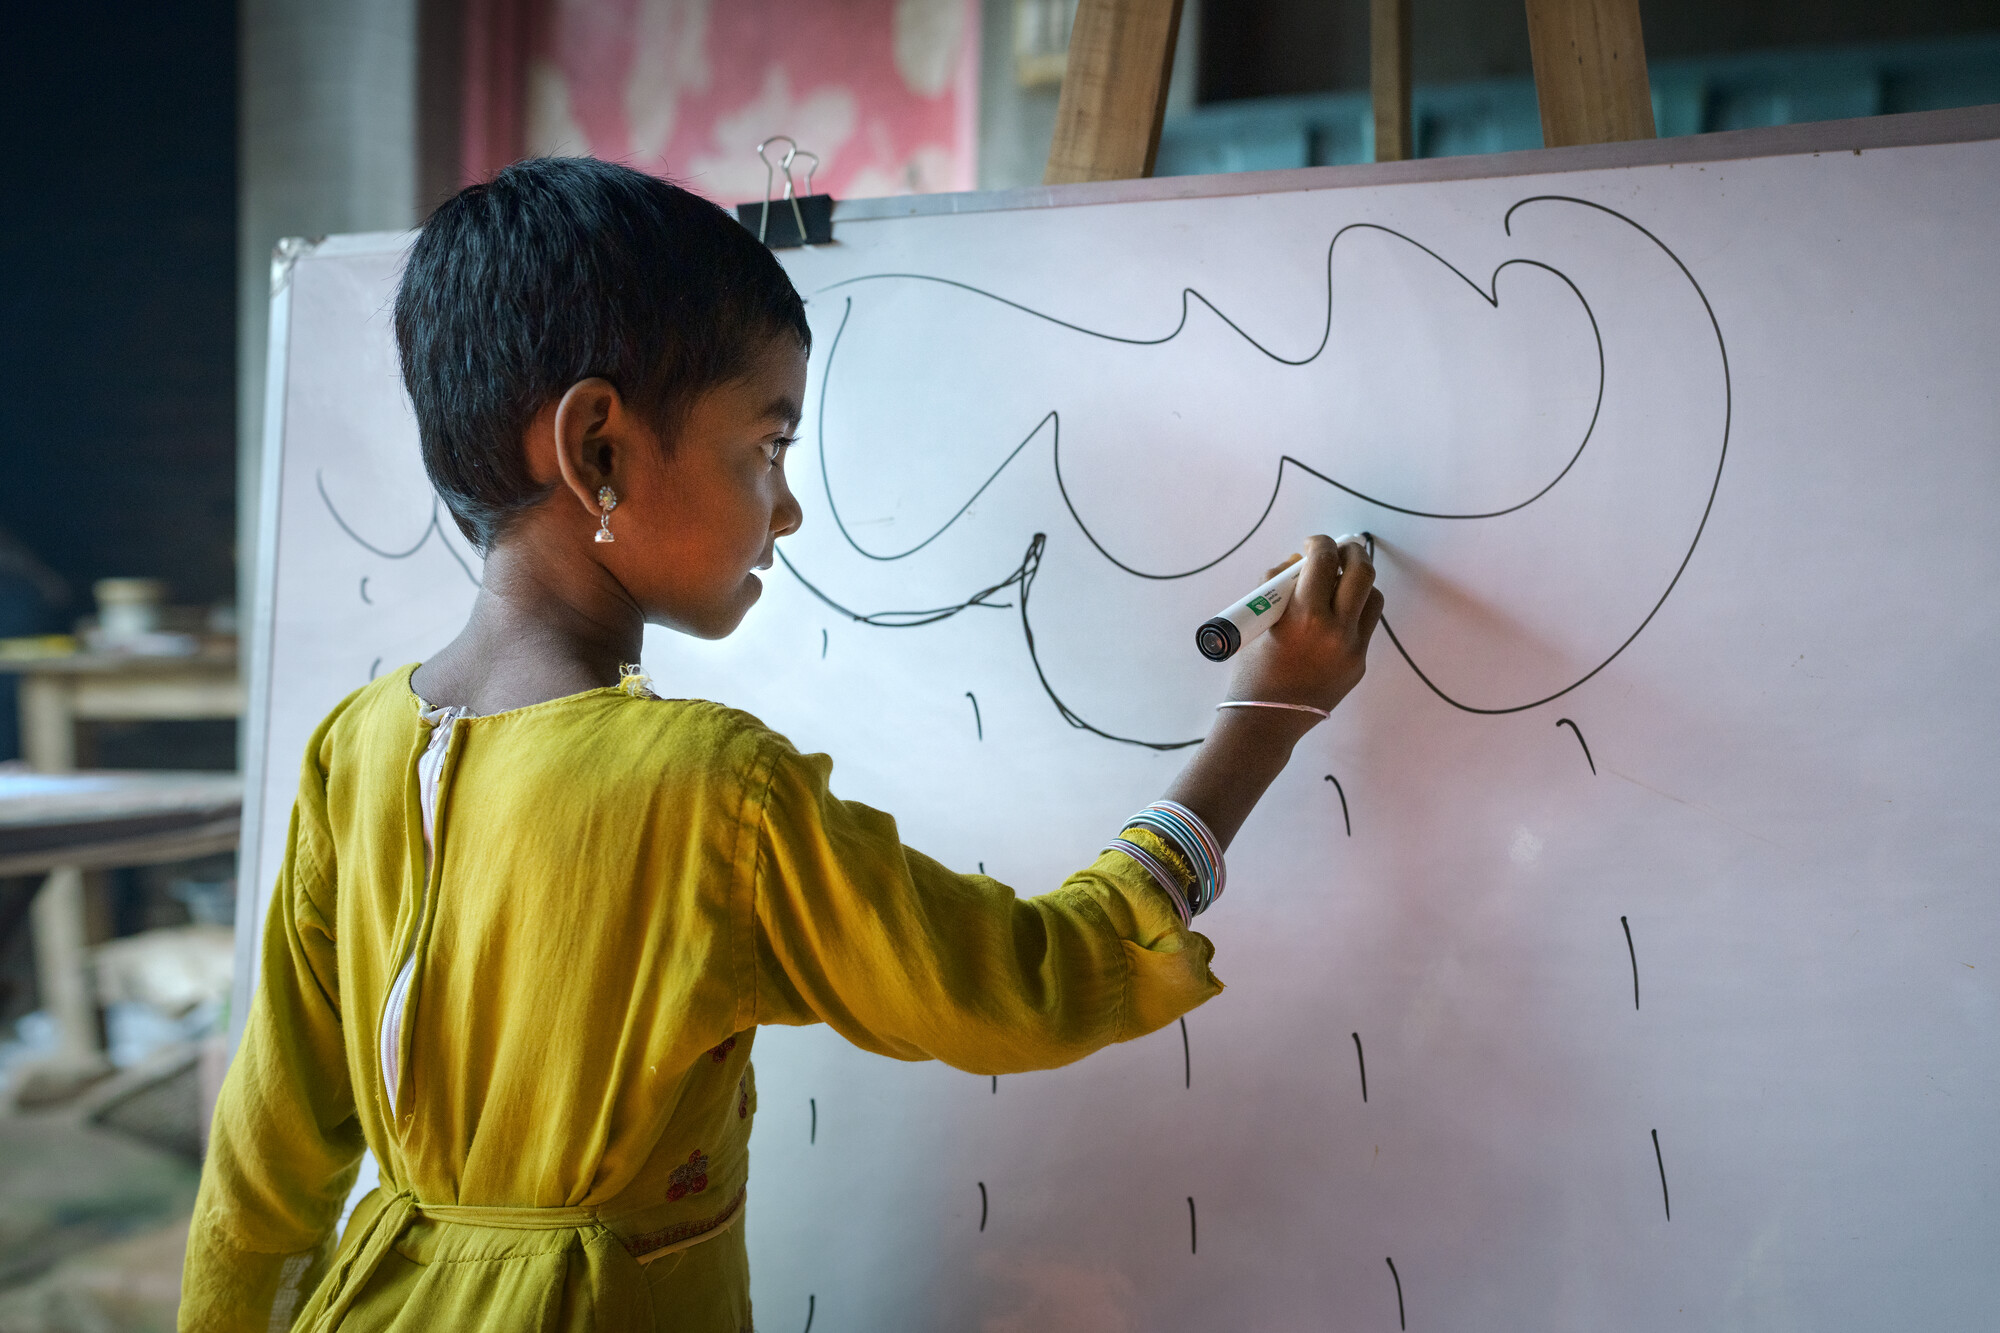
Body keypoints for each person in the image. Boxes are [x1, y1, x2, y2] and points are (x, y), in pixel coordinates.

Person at [180, 157, 1383, 1332]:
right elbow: (1034, 983)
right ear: (597, 449)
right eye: (765, 447)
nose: (788, 505)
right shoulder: (709, 794)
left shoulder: (357, 749)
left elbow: (260, 1175)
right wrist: (1262, 725)